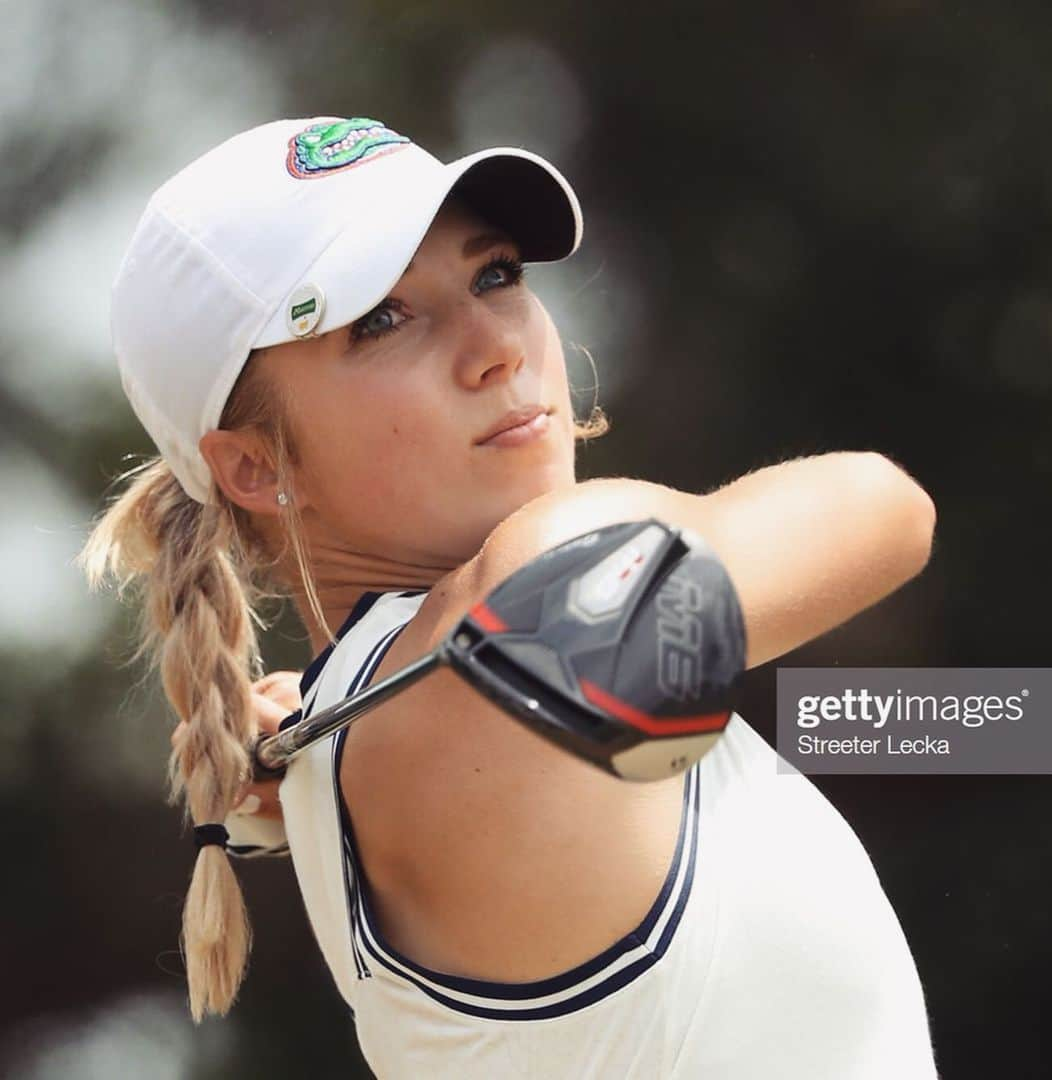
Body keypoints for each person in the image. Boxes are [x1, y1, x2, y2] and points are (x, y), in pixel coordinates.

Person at [80, 115, 941, 1078]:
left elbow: (884, 730)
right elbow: (890, 504)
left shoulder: (384, 717)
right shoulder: (542, 596)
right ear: (254, 466)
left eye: (495, 274)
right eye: (382, 320)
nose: (496, 345)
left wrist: (1044, 727)